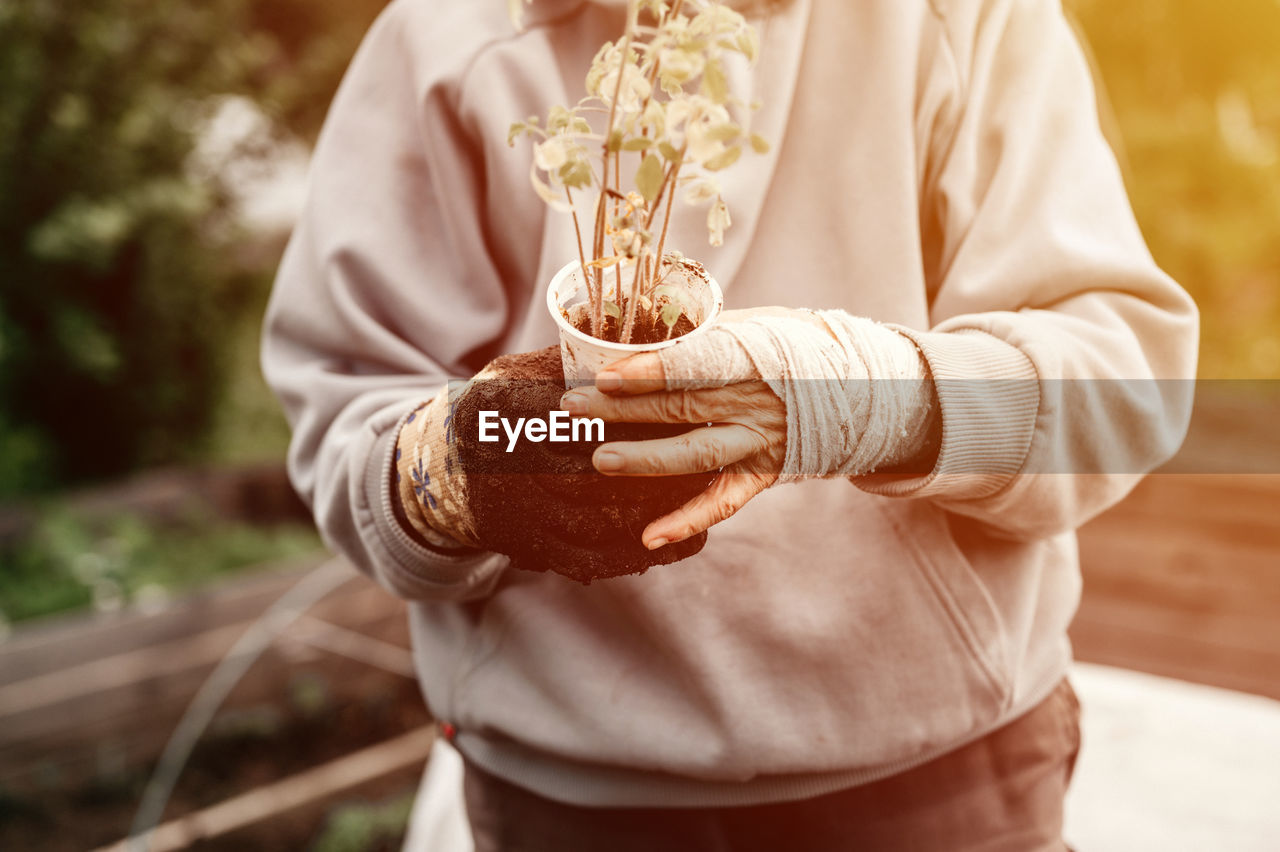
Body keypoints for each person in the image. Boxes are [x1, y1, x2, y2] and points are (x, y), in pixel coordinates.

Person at [262, 0, 1198, 848]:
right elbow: (350, 405)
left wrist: (855, 398)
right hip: (570, 803)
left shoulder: (962, 20)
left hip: (938, 780)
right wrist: (455, 472)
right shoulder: (445, 37)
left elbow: (1118, 387)